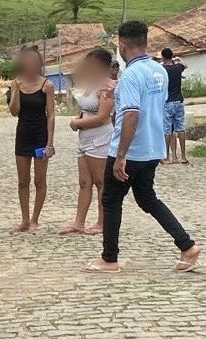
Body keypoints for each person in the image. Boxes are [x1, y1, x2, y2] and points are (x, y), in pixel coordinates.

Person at [83, 21, 200, 274]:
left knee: (111, 200)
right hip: (152, 147)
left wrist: (121, 155)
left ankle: (109, 258)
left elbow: (132, 114)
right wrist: (119, 88)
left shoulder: (132, 74)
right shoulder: (157, 70)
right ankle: (187, 245)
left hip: (131, 150)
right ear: (145, 41)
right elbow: (147, 100)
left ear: (122, 44)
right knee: (147, 198)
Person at [61, 49, 115, 235]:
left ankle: (102, 222)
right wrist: (80, 118)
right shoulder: (91, 85)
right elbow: (88, 109)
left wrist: (78, 123)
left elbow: (102, 117)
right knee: (84, 182)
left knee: (101, 182)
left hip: (100, 138)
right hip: (85, 138)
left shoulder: (107, 87)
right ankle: (79, 222)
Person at [9, 46, 56, 232]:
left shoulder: (47, 85)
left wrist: (50, 144)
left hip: (40, 135)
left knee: (39, 180)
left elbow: (51, 115)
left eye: (34, 61)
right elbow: (14, 112)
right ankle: (25, 219)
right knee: (23, 181)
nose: (30, 64)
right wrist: (15, 91)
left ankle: (35, 219)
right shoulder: (16, 82)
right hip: (23, 134)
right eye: (27, 61)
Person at [161, 48, 188, 164]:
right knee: (181, 128)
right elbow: (185, 65)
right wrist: (178, 59)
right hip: (179, 100)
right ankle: (183, 156)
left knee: (167, 130)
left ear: (163, 57)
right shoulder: (178, 67)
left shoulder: (162, 69)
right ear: (172, 56)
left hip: (167, 101)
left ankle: (167, 156)